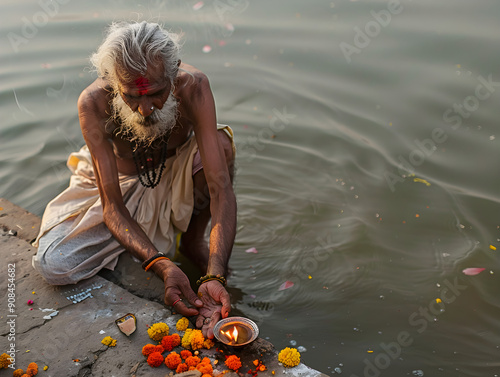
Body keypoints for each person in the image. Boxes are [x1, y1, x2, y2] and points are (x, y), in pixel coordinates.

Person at [32, 21, 236, 338]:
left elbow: (220, 191)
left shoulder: (193, 87)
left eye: (156, 93)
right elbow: (111, 205)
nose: (144, 109)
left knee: (222, 147)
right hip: (121, 183)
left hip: (177, 173)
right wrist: (160, 264)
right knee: (55, 265)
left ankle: (193, 241)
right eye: (131, 96)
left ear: (174, 73)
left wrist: (216, 274)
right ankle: (156, 246)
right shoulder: (94, 102)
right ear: (114, 83)